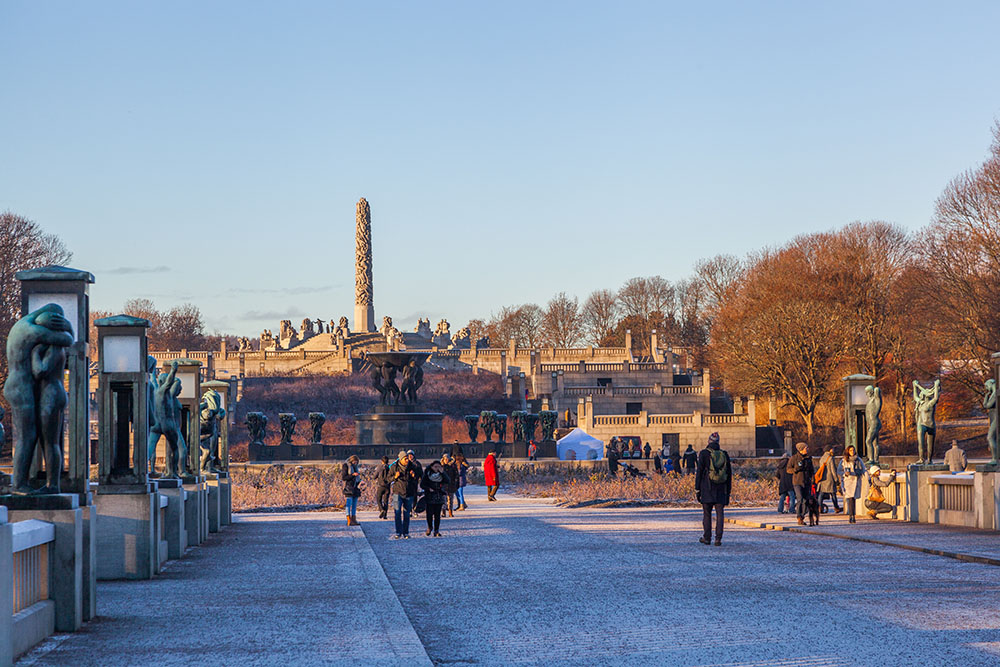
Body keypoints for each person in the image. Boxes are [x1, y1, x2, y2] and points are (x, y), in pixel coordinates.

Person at [695, 432, 732, 546]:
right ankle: (718, 539)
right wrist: (728, 491)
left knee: (707, 513)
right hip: (721, 488)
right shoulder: (724, 454)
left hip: (707, 488)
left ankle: (707, 538)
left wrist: (697, 489)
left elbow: (699, 472)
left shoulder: (704, 453)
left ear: (709, 441)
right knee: (720, 514)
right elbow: (729, 474)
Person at [390, 450, 419, 539]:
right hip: (397, 493)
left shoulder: (412, 466)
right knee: (397, 513)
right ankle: (398, 532)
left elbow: (418, 478)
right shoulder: (394, 467)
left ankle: (405, 532)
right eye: (405, 458)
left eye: (407, 458)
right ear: (401, 459)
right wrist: (395, 477)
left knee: (406, 514)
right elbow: (388, 479)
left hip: (409, 493)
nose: (407, 460)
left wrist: (414, 476)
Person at [787, 442, 815, 526]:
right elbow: (788, 469)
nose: (808, 449)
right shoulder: (794, 458)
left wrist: (813, 479)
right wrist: (795, 469)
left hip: (806, 482)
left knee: (806, 500)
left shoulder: (809, 459)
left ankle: (802, 515)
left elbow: (811, 470)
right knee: (800, 499)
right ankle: (799, 516)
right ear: (801, 449)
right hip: (797, 482)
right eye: (806, 448)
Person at [421, 460, 450, 536]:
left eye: (439, 466)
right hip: (429, 496)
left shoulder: (441, 474)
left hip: (439, 496)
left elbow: (448, 481)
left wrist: (443, 472)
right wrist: (428, 488)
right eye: (435, 467)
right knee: (429, 514)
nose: (437, 468)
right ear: (431, 467)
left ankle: (436, 530)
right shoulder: (427, 473)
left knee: (437, 515)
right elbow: (422, 484)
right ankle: (430, 527)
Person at [814, 445, 842, 514]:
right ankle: (836, 507)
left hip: (822, 479)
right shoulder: (830, 458)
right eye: (832, 449)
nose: (833, 450)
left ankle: (819, 507)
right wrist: (836, 479)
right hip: (829, 478)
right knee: (833, 494)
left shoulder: (822, 458)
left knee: (821, 493)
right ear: (830, 450)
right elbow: (833, 470)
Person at [840, 445, 864, 523]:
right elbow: (839, 471)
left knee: (854, 499)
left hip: (856, 480)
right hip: (848, 481)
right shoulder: (843, 461)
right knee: (850, 498)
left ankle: (853, 515)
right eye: (850, 450)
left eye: (853, 450)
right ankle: (851, 516)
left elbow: (863, 469)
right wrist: (845, 473)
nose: (852, 452)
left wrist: (857, 472)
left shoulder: (858, 460)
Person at [341, 455, 362, 526]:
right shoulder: (346, 466)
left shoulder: (355, 467)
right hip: (349, 488)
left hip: (356, 487)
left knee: (354, 505)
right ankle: (349, 519)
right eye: (354, 462)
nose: (355, 463)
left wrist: (360, 481)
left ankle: (354, 519)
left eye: (356, 462)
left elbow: (357, 478)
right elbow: (344, 477)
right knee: (348, 504)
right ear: (351, 460)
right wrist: (353, 475)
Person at [374, 455, 391, 520]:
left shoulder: (379, 467)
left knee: (378, 499)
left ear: (382, 461)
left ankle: (381, 510)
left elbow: (374, 476)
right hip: (387, 486)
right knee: (386, 501)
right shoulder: (389, 467)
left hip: (381, 486)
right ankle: (385, 515)